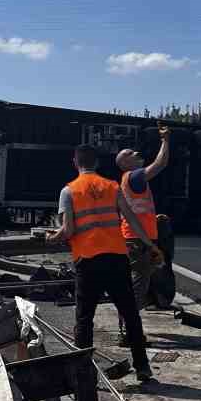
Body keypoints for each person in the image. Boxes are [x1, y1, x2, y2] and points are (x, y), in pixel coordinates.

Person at [48, 145, 163, 383]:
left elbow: (68, 230)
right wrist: (150, 246)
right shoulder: (112, 187)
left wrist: (52, 237)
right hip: (117, 259)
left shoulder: (69, 191)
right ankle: (143, 368)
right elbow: (131, 220)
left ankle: (84, 374)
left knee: (84, 318)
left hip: (88, 262)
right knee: (130, 314)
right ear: (97, 163)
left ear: (75, 162)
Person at [116, 127, 170, 316]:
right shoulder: (135, 176)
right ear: (125, 163)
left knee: (145, 278)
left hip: (137, 237)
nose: (136, 153)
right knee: (139, 283)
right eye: (130, 153)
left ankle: (140, 310)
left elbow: (137, 209)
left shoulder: (128, 180)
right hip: (138, 239)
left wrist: (153, 220)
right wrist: (165, 140)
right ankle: (129, 326)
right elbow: (161, 163)